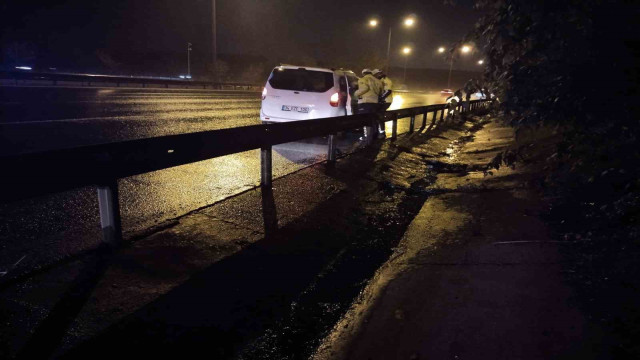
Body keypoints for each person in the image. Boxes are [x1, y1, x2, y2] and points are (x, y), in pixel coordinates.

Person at [354, 68, 383, 140]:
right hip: (375, 103)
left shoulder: (363, 79)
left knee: (365, 120)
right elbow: (381, 92)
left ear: (363, 73)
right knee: (373, 119)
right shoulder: (378, 81)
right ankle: (374, 136)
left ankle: (366, 137)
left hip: (365, 102)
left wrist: (355, 94)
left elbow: (364, 88)